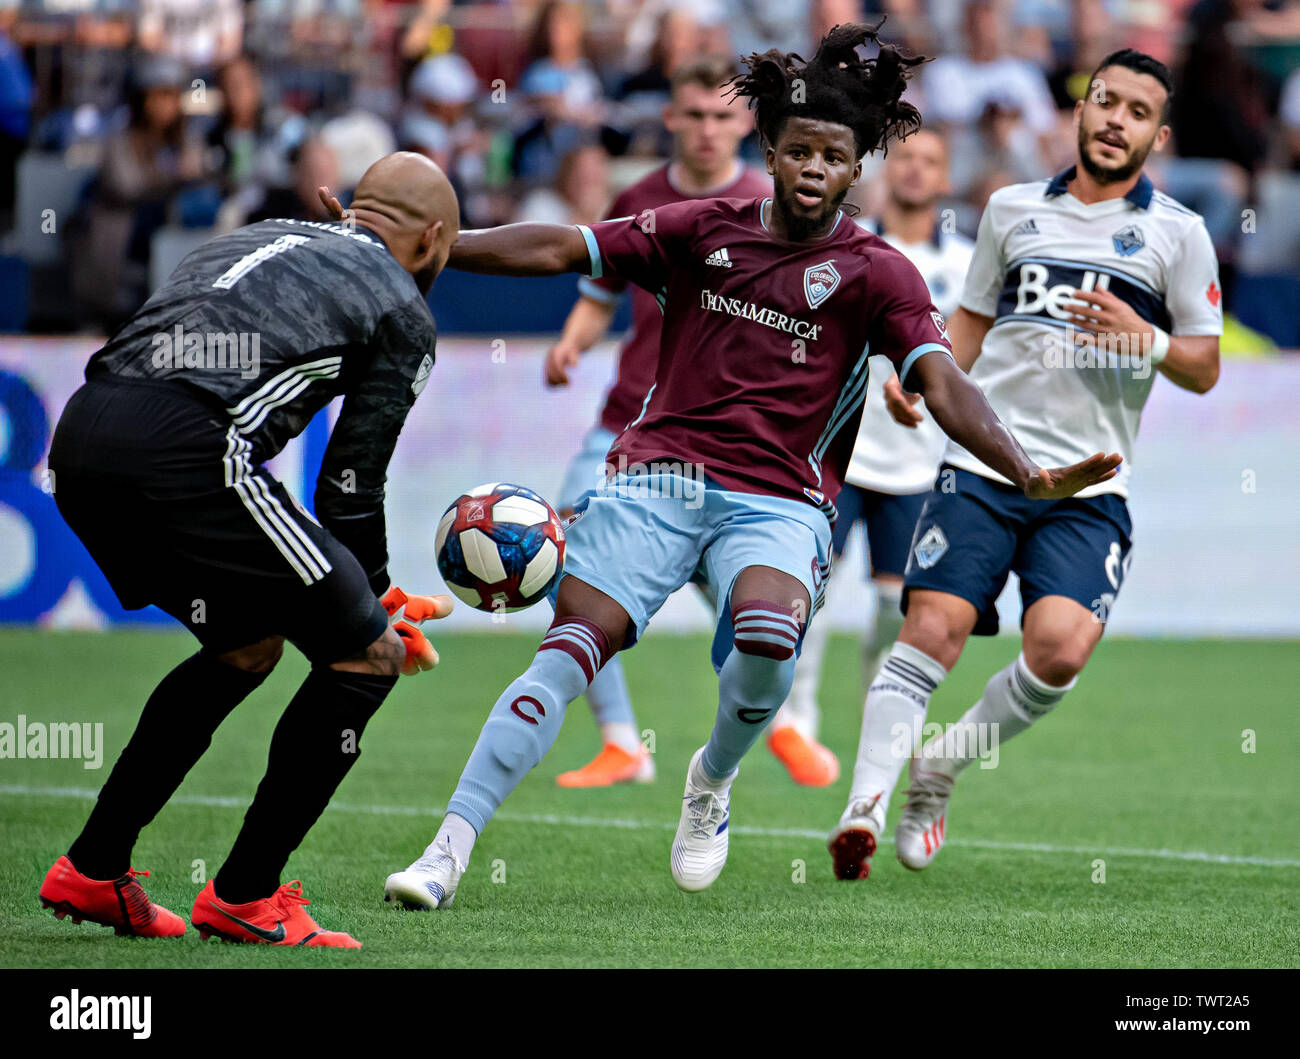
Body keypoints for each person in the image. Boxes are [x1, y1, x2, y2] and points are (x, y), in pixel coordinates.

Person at [379, 22, 1119, 909]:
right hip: (657, 477)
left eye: (833, 157)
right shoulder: (699, 229)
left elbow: (944, 383)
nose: (814, 167)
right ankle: (446, 852)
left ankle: (711, 779)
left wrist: (1027, 470)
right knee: (567, 652)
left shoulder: (880, 273)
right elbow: (566, 247)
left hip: (779, 499)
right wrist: (441, 248)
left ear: (857, 169)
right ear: (769, 149)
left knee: (768, 641)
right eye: (799, 149)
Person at [40, 153, 459, 948]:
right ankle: (247, 894)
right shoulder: (405, 306)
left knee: (245, 646)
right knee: (367, 657)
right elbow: (349, 483)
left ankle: (94, 869)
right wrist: (376, 602)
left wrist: (359, 596)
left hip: (83, 436)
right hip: (190, 448)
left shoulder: (263, 230)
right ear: (434, 237)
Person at [828, 49, 1221, 881]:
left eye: (1137, 111)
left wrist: (1142, 335)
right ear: (1079, 114)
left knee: (1060, 651)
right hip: (983, 467)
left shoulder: (1179, 234)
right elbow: (967, 322)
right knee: (930, 628)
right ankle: (861, 804)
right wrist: (920, 381)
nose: (1116, 119)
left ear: (1158, 133)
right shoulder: (1010, 211)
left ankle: (938, 770)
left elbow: (1203, 365)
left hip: (1088, 485)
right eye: (1104, 101)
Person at [542, 55, 769, 789]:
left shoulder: (773, 203)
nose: (707, 130)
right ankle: (619, 740)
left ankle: (769, 721)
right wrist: (574, 341)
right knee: (562, 549)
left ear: (747, 124)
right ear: (670, 118)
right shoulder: (638, 197)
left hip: (723, 436)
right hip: (627, 422)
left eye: (722, 116)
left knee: (741, 591)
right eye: (694, 115)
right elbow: (599, 290)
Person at [772, 126, 973, 788]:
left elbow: (968, 362)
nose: (916, 170)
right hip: (839, 451)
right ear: (882, 172)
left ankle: (874, 721)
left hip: (918, 464)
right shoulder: (848, 248)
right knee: (811, 586)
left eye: (931, 161)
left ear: (945, 179)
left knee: (895, 606)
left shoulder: (969, 265)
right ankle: (795, 717)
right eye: (906, 157)